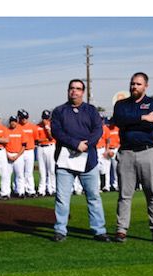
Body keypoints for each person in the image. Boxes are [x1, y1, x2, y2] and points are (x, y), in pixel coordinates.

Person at [49, 80, 111, 243]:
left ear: (83, 92)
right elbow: (57, 132)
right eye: (72, 88)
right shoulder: (59, 111)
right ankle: (60, 230)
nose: (74, 91)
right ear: (68, 90)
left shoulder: (90, 110)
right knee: (62, 198)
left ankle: (99, 230)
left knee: (93, 197)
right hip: (65, 160)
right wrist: (75, 144)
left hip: (88, 160)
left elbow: (98, 130)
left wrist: (86, 144)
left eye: (78, 89)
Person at [112, 72, 153, 244]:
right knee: (125, 195)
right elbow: (119, 120)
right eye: (132, 83)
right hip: (126, 152)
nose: (134, 86)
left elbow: (151, 124)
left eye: (138, 84)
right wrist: (142, 117)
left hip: (148, 152)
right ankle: (121, 230)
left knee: (152, 194)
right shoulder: (121, 104)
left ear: (146, 86)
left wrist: (133, 121)